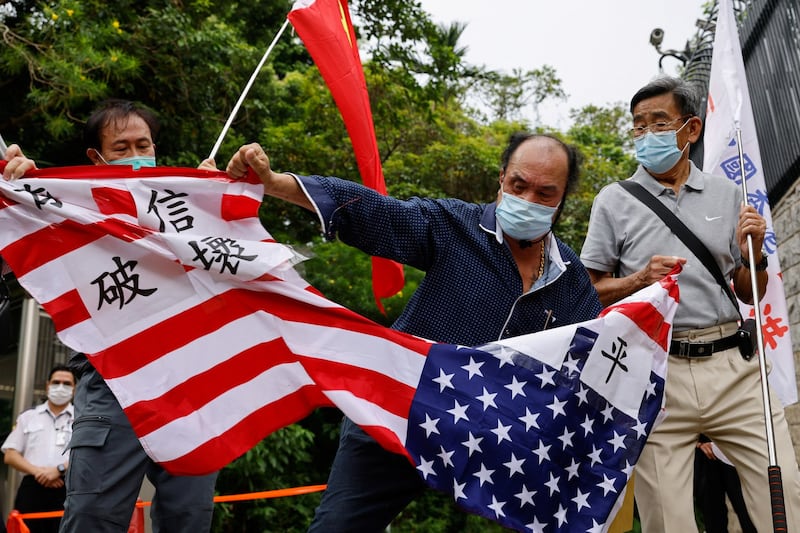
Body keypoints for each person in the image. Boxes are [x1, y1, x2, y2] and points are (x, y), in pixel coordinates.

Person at [224, 132, 604, 531]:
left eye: (545, 194)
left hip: (493, 442)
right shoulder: (452, 224)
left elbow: (592, 360)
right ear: (501, 179)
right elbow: (376, 213)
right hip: (400, 410)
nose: (527, 201)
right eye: (518, 186)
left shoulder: (571, 281)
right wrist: (275, 182)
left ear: (562, 201)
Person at [580, 75, 800, 531]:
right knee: (667, 518)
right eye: (638, 126)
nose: (646, 135)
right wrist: (640, 280)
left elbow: (746, 290)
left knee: (784, 498)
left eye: (659, 123)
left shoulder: (727, 195)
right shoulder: (613, 201)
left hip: (734, 367)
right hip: (657, 373)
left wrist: (752, 255)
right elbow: (588, 288)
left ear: (691, 129)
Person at [3, 99, 218, 533]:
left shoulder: (187, 202)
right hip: (112, 383)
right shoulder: (65, 210)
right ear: (95, 157)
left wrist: (215, 200)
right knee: (93, 518)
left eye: (144, 144)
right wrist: (17, 198)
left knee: (189, 517)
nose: (137, 154)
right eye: (122, 147)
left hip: (189, 384)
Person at [2, 365, 76, 533]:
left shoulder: (82, 419)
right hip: (32, 489)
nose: (60, 387)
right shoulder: (28, 416)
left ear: (74, 388)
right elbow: (10, 455)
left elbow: (88, 455)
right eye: (56, 382)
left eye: (67, 383)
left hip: (67, 489)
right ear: (47, 385)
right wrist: (39, 472)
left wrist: (59, 469)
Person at [694, 435, 756, 533]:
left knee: (748, 512)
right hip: (702, 454)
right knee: (713, 518)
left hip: (730, 448)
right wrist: (698, 443)